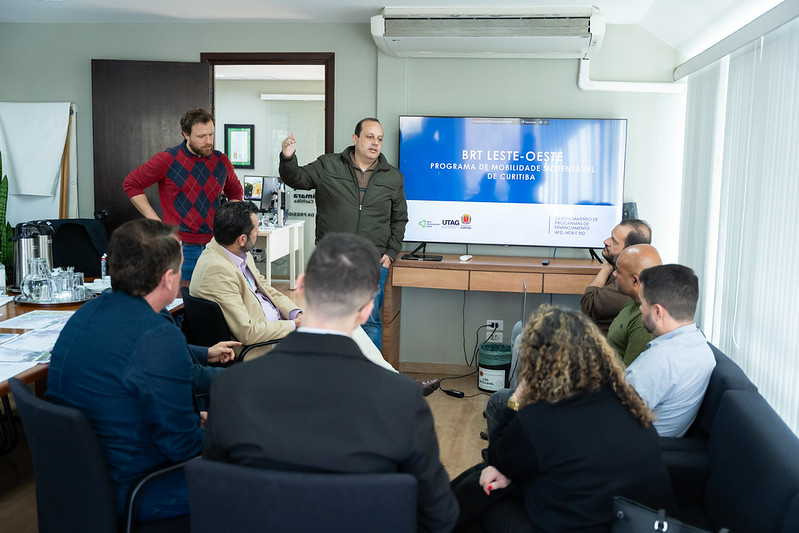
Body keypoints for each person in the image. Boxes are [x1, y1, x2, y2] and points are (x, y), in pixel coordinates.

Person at [203, 233, 458, 533]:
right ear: (366, 310)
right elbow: (440, 516)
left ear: (301, 285)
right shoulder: (403, 399)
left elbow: (218, 500)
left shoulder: (231, 388)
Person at [450, 306, 673, 533]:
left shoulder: (542, 415)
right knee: (481, 478)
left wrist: (517, 398)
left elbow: (498, 454)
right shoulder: (624, 397)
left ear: (538, 359)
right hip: (637, 520)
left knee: (480, 491)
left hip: (583, 522)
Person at [47, 219, 204, 523]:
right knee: (254, 473)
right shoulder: (157, 336)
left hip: (79, 483)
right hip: (137, 488)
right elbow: (183, 448)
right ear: (168, 279)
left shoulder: (86, 313)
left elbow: (124, 397)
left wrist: (191, 420)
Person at [190, 201, 396, 371]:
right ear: (242, 239)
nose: (259, 232)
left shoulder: (234, 250)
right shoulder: (217, 270)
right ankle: (389, 384)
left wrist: (295, 313)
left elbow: (266, 289)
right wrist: (294, 325)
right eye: (256, 229)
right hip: (261, 348)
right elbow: (248, 332)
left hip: (279, 329)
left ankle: (388, 380)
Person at [278, 117, 409, 350]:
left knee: (369, 322)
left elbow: (399, 218)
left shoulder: (393, 177)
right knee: (330, 320)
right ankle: (333, 377)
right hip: (333, 260)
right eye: (369, 137)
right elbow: (297, 178)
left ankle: (368, 378)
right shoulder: (328, 165)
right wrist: (288, 158)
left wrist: (391, 252)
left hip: (372, 260)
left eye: (379, 139)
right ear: (355, 138)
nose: (375, 143)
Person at [123, 107, 244, 282]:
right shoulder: (167, 159)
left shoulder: (221, 161)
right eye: (201, 137)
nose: (208, 141)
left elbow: (235, 191)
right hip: (181, 249)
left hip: (216, 246)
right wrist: (155, 222)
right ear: (185, 134)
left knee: (216, 303)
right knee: (182, 304)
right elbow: (131, 184)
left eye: (211, 135)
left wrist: (230, 223)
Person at [626, 264, 716, 437]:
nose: (640, 309)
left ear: (658, 312)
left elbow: (611, 416)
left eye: (643, 303)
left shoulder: (661, 360)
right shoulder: (699, 345)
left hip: (627, 449)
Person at [581, 219, 652, 335]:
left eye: (614, 241)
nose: (606, 241)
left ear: (628, 251)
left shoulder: (628, 282)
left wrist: (607, 267)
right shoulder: (628, 270)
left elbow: (588, 304)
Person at [607, 243, 662, 367]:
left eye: (618, 271)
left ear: (635, 281)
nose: (614, 274)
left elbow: (629, 380)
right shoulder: (634, 302)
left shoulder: (645, 323)